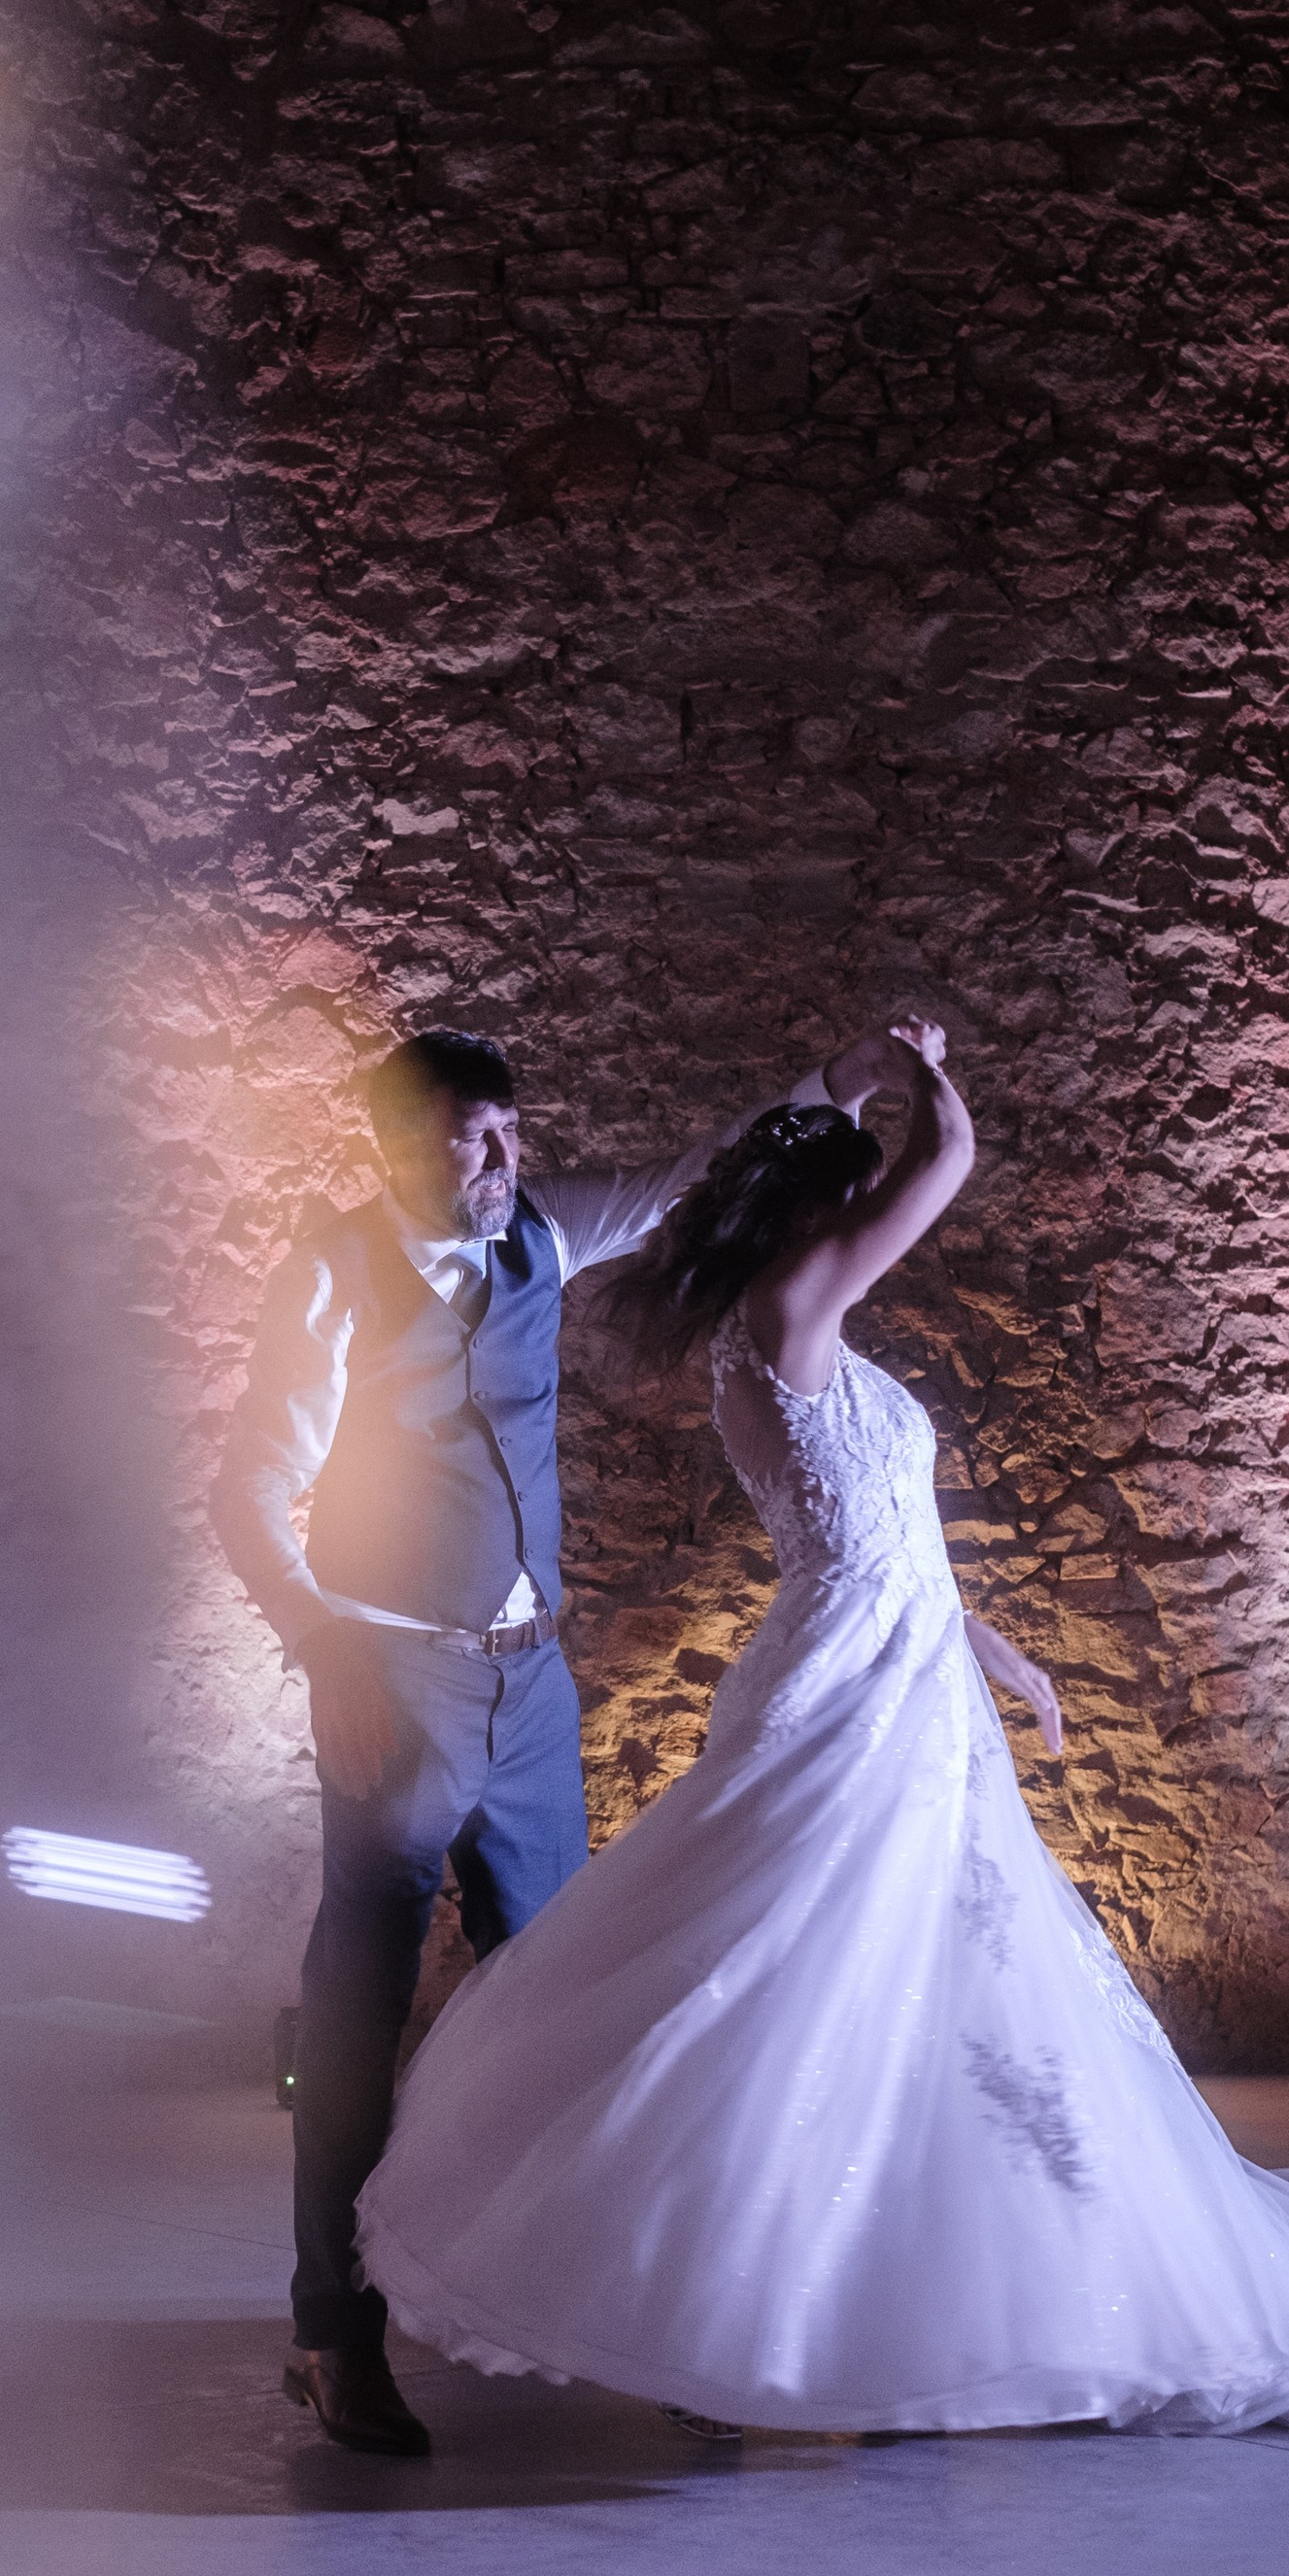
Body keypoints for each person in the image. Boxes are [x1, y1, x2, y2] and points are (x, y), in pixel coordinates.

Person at [356, 1023, 1289, 2442]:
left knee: (915, 1986)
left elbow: (882, 1537)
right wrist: (916, 1068)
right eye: (851, 1205)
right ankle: (747, 2312)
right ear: (822, 1214)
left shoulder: (791, 1334)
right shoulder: (790, 1316)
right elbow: (945, 1162)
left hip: (900, 1668)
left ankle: (872, 2289)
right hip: (854, 1694)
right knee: (806, 1979)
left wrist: (990, 1641)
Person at [217, 1019, 905, 2457]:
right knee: (358, 2023)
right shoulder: (335, 1275)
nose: (493, 1157)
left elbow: (680, 1182)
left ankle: (624, 2314)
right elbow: (249, 1493)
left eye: (501, 1129)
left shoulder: (535, 1230)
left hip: (535, 1691)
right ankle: (332, 2338)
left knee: (575, 2013)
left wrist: (834, 1085)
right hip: (399, 1686)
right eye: (462, 1136)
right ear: (394, 1145)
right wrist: (326, 1640)